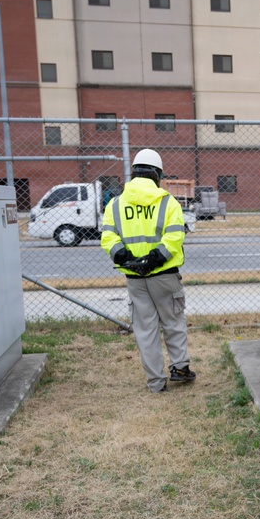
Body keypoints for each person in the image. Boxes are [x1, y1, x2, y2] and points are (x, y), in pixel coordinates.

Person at [101, 148, 196, 393]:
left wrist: (124, 255)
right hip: (164, 274)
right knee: (173, 322)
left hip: (134, 277)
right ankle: (180, 369)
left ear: (134, 173)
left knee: (145, 330)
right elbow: (175, 236)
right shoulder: (167, 201)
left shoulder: (116, 203)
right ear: (157, 174)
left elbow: (108, 236)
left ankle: (155, 382)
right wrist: (154, 259)